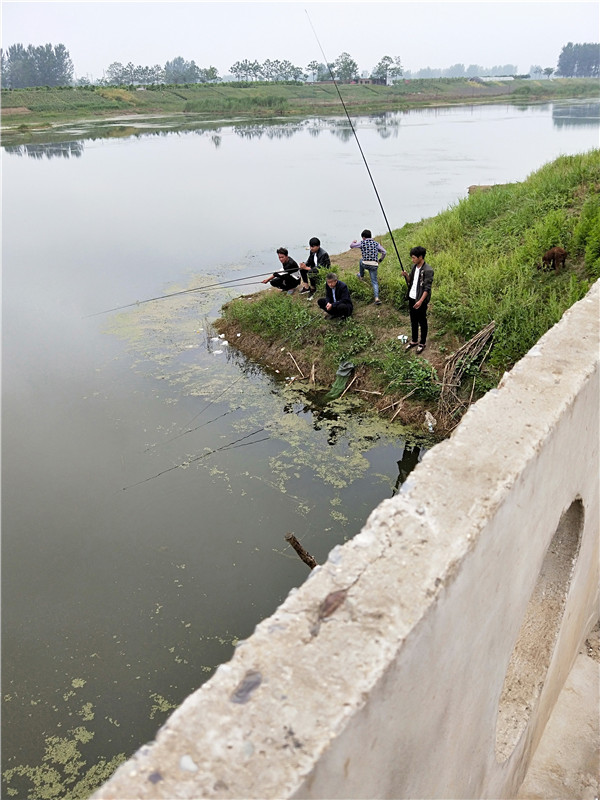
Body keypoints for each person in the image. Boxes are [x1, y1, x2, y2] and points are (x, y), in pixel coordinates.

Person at [401, 245, 434, 354]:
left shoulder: (428, 270)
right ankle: (414, 340)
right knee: (413, 320)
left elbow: (427, 289)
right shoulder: (415, 267)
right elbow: (411, 281)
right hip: (412, 297)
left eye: (414, 257)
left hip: (420, 300)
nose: (412, 259)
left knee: (422, 321)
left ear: (420, 257)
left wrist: (420, 301)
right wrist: (406, 275)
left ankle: (422, 342)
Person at [350, 229, 386, 305]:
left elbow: (352, 246)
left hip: (365, 263)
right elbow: (384, 252)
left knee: (361, 261)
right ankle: (376, 298)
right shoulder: (376, 244)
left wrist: (354, 242)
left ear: (363, 237)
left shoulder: (363, 242)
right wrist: (380, 260)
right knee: (374, 282)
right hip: (374, 265)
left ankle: (361, 275)